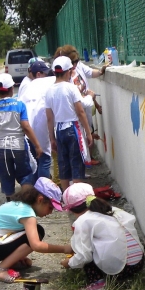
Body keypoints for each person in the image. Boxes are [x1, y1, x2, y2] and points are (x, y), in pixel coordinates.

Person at [0, 177, 72, 282]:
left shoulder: (22, 205)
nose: (50, 212)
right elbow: (36, 245)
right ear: (40, 200)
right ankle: (0, 270)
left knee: (35, 231)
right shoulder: (27, 214)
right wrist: (64, 249)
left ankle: (13, 260)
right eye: (50, 208)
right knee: (37, 233)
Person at [60, 183, 144, 290]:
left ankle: (97, 283)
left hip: (123, 269)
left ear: (71, 209)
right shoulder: (110, 209)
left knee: (85, 249)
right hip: (139, 262)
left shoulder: (83, 221)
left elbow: (84, 256)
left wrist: (69, 263)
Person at [0, 73, 43, 201]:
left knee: (6, 176)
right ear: (12, 89)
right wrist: (37, 146)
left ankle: (10, 205)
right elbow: (26, 127)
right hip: (19, 146)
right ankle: (27, 204)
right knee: (25, 175)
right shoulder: (20, 105)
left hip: (1, 148)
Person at [45, 56, 93, 191]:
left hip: (59, 129)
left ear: (55, 72)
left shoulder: (49, 91)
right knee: (76, 162)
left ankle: (66, 195)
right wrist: (88, 133)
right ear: (68, 72)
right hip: (73, 128)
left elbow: (49, 118)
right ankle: (76, 196)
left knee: (63, 163)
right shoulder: (71, 88)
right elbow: (80, 112)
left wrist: (51, 138)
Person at [20, 61, 54, 182]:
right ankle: (43, 191)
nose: (47, 76)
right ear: (39, 74)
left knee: (33, 161)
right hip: (38, 125)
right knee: (44, 159)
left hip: (27, 126)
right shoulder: (43, 83)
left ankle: (35, 191)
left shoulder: (28, 86)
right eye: (45, 73)